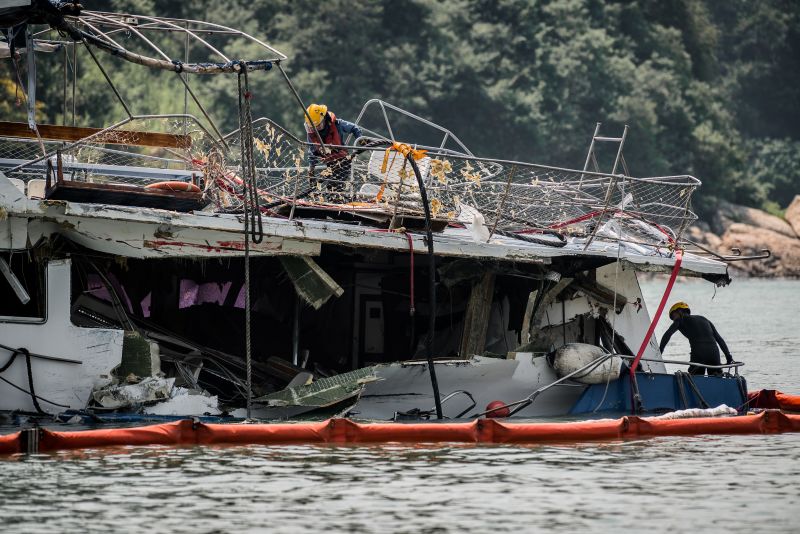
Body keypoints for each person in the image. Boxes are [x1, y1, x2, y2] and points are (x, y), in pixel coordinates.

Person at [659, 301, 734, 376]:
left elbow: (667, 335)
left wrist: (660, 352)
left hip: (699, 354)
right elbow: (719, 339)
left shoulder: (680, 320)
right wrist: (728, 357)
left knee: (696, 378)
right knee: (716, 378)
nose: (673, 319)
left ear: (679, 311)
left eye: (673, 315)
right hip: (714, 354)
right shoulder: (704, 319)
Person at [304, 104, 363, 199]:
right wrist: (311, 169)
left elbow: (354, 128)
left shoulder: (337, 124)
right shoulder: (312, 134)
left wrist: (360, 139)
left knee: (333, 188)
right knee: (328, 188)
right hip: (330, 165)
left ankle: (345, 200)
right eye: (312, 127)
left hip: (344, 161)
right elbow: (312, 152)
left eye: (318, 126)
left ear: (324, 119)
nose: (315, 129)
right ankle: (340, 199)